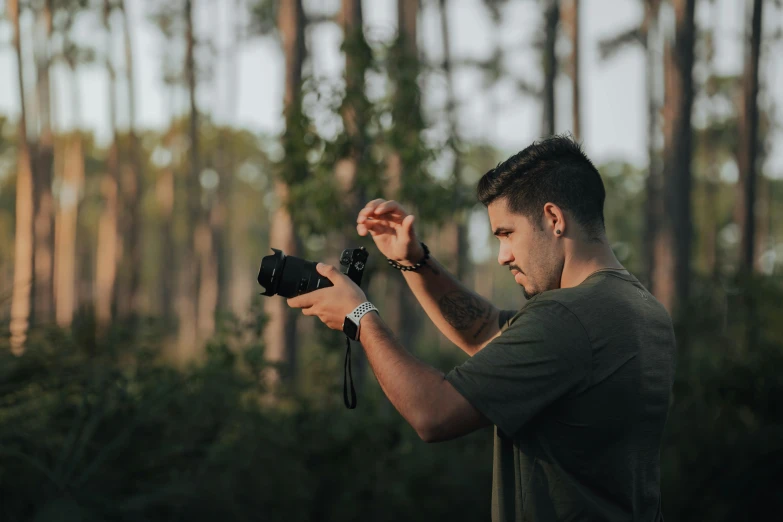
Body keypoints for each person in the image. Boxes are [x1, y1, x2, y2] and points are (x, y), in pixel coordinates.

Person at [286, 134, 677, 522]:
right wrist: (413, 261)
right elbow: (486, 331)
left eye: (507, 234)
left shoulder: (566, 318)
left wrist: (360, 316)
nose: (503, 255)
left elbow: (433, 413)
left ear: (554, 219)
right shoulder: (639, 309)